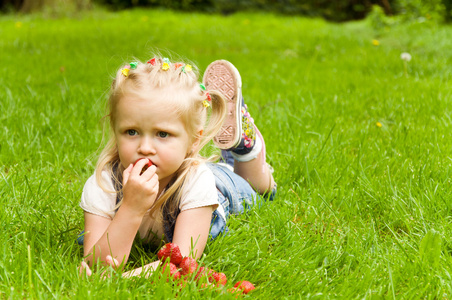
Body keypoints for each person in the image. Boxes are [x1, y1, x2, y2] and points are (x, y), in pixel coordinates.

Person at [78, 57, 276, 277]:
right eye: (131, 132)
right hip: (186, 167)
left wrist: (126, 278)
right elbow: (96, 264)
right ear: (115, 131)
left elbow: (182, 260)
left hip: (220, 185)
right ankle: (231, 149)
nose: (144, 148)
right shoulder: (104, 183)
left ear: (193, 141)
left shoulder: (197, 182)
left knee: (258, 186)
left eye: (162, 134)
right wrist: (131, 208)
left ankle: (246, 149)